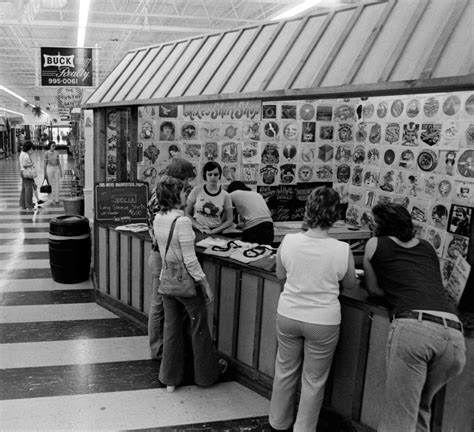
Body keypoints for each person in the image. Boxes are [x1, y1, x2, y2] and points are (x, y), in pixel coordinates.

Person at [362, 203, 466, 432]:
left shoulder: (375, 244)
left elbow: (374, 290)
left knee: (398, 419)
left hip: (415, 329)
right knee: (419, 409)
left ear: (380, 226)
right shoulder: (427, 246)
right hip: (455, 337)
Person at [269, 186, 357, 431]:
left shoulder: (289, 241)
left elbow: (280, 275)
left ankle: (278, 422)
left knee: (285, 370)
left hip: (288, 313)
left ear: (309, 209)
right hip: (323, 321)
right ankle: (304, 428)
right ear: (335, 214)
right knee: (314, 380)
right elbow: (349, 284)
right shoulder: (342, 249)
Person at [153, 175, 226, 392]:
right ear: (176, 196)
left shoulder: (158, 218)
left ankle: (170, 378)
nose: (187, 195)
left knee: (171, 328)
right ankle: (205, 376)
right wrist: (205, 284)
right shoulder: (182, 222)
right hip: (186, 284)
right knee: (199, 328)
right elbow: (190, 259)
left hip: (166, 280)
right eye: (184, 192)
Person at [146, 158, 196, 369]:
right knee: (159, 306)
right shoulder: (167, 196)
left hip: (158, 253)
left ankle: (163, 349)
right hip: (166, 258)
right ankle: (159, 350)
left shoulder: (156, 192)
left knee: (160, 305)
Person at [185, 161, 233, 240]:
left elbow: (230, 220)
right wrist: (198, 226)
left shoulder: (226, 195)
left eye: (216, 174)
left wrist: (213, 231)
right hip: (197, 230)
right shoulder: (196, 190)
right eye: (210, 174)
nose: (213, 177)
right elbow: (186, 212)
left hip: (216, 233)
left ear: (220, 176)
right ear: (205, 176)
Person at [226, 181, 274, 245]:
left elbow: (225, 214)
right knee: (265, 251)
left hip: (254, 230)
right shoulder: (257, 194)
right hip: (269, 226)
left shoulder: (232, 194)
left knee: (247, 251)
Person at [19, 140, 44, 211]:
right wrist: (32, 164)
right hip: (27, 173)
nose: (32, 150)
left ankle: (23, 204)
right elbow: (24, 165)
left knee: (24, 189)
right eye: (31, 149)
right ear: (29, 149)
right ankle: (29, 206)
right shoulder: (26, 155)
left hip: (22, 172)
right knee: (28, 190)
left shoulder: (22, 153)